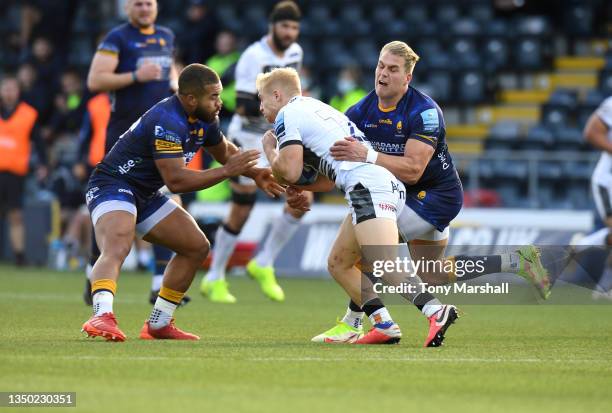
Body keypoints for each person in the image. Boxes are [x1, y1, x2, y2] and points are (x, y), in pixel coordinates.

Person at [296, 41, 549, 345]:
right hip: (395, 194)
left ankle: (357, 323)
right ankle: (516, 261)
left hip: (435, 195)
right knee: (434, 274)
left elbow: (414, 169)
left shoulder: (425, 112)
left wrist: (368, 154)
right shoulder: (359, 112)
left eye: (392, 69)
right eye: (380, 66)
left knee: (368, 252)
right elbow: (339, 170)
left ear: (407, 78)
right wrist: (299, 185)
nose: (383, 74)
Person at [256, 67, 458, 347]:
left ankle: (435, 310)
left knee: (382, 262)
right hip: (382, 185)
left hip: (367, 187)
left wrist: (269, 149)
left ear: (277, 95)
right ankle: (382, 324)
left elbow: (289, 170)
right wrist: (300, 188)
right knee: (339, 263)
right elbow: (324, 180)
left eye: (262, 99)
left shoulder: (287, 114)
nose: (261, 107)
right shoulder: (317, 109)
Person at [81, 64, 283, 342]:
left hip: (146, 193)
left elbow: (224, 151)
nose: (220, 103)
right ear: (190, 99)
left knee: (196, 247)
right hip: (113, 183)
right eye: (213, 96)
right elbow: (176, 181)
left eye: (219, 95)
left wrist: (256, 173)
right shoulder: (167, 120)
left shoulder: (203, 118)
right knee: (118, 244)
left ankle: (159, 323)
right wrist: (227, 172)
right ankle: (101, 315)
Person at [201, 0, 306, 303]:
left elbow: (294, 93)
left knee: (302, 199)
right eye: (285, 26)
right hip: (247, 136)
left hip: (278, 135)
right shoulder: (253, 56)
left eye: (294, 27)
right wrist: (280, 106)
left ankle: (263, 262)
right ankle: (215, 276)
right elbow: (245, 105)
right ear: (272, 26)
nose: (289, 32)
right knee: (242, 207)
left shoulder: (296, 53)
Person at [85, 0, 183, 306]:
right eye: (138, 4)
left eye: (149, 3)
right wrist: (134, 76)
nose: (144, 9)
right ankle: (93, 274)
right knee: (111, 213)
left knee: (167, 199)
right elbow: (95, 80)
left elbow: (172, 72)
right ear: (128, 8)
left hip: (161, 135)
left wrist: (178, 84)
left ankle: (158, 284)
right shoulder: (117, 38)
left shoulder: (166, 36)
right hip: (124, 139)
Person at [0, 75, 47, 266]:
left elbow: (40, 142)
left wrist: (43, 164)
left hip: (15, 173)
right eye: (6, 88)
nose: (9, 93)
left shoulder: (29, 114)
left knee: (15, 215)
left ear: (18, 91)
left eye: (12, 88)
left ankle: (19, 256)